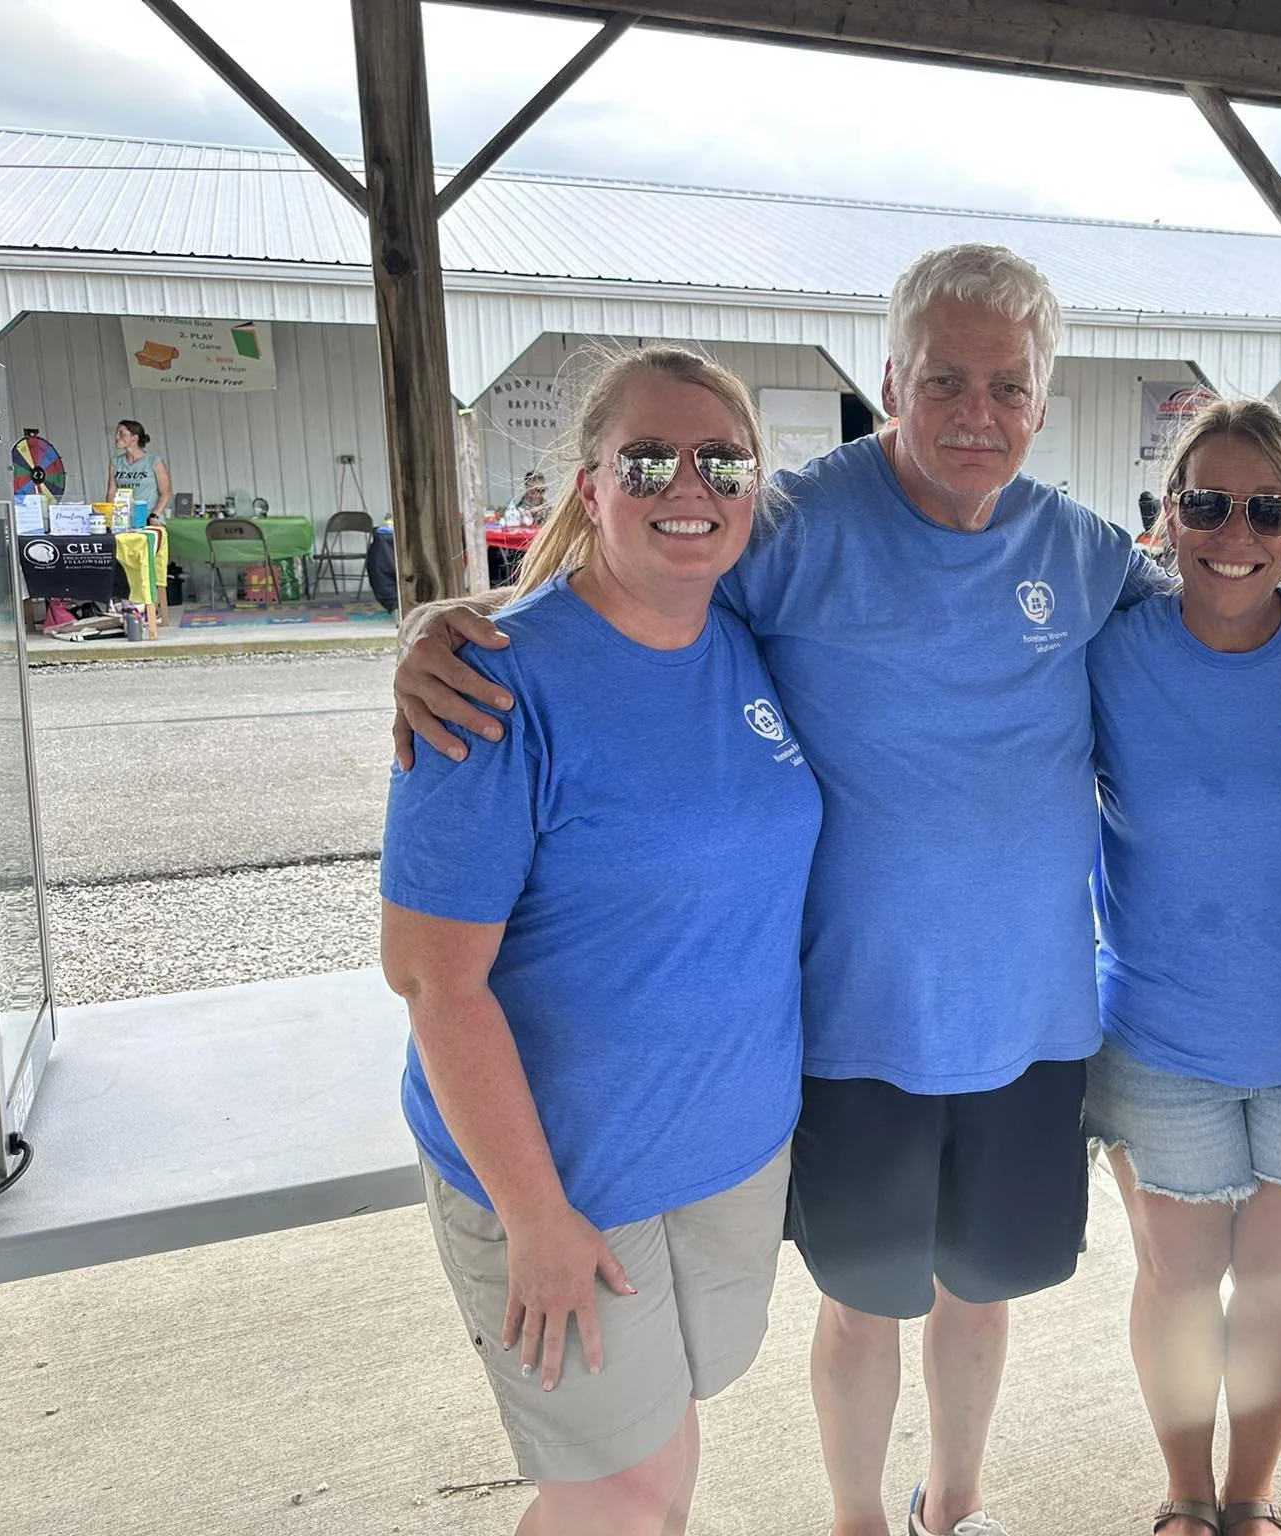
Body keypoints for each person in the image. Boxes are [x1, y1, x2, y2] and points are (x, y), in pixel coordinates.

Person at [390, 245, 1281, 1536]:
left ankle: (950, 1507)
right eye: (946, 380)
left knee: (982, 1299)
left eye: (1009, 387)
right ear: (890, 382)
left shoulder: (1079, 552)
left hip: (1030, 1022)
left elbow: (1232, 597)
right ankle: (859, 1518)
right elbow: (632, 580)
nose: (978, 414)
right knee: (862, 1308)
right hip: (855, 1022)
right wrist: (446, 623)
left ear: (1043, 399)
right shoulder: (797, 525)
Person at [379, 345, 821, 1535]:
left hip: (722, 1158)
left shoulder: (744, 633)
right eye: (648, 458)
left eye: (722, 460)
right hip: (567, 1181)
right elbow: (431, 979)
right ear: (589, 487)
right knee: (615, 1491)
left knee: (662, 1457)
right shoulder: (491, 681)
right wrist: (534, 1219)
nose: (690, 483)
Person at [1086, 398, 1281, 1536]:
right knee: (1173, 1282)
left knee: (1275, 1288)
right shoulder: (1108, 646)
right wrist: (497, 613)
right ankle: (1183, 1497)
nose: (1233, 533)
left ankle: (1251, 1498)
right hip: (1163, 1038)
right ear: (1164, 515)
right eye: (1204, 503)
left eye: (1266, 509)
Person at [106, 419, 170, 521]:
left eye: (121, 434)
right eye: (116, 433)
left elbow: (165, 492)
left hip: (149, 518)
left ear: (134, 438)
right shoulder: (115, 462)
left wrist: (154, 515)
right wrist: (111, 516)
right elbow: (111, 492)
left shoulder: (154, 461)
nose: (116, 437)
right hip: (124, 519)